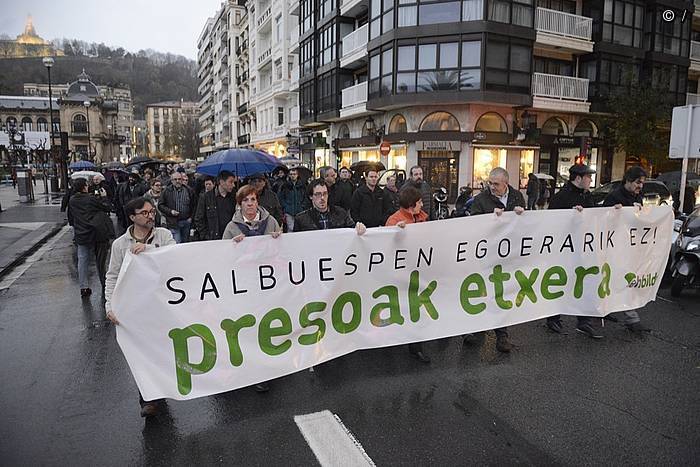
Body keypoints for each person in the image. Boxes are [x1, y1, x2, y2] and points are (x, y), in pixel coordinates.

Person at [105, 197, 176, 417]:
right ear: (133, 216)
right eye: (145, 213)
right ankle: (149, 399)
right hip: (135, 307)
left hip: (161, 304)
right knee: (142, 354)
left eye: (152, 211)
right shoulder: (120, 245)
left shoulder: (164, 235)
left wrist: (149, 249)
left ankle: (162, 388)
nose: (150, 215)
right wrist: (110, 305)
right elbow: (112, 276)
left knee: (163, 350)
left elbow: (175, 257)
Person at [223, 185, 282, 392]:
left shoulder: (270, 221)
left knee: (269, 322)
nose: (250, 204)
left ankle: (269, 365)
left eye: (253, 199)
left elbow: (284, 251)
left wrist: (278, 239)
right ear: (239, 205)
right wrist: (232, 246)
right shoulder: (232, 227)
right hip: (247, 284)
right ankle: (256, 369)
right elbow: (223, 256)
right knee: (253, 325)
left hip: (268, 283)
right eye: (246, 200)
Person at [467, 167, 525, 353]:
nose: (491, 187)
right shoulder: (481, 199)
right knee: (483, 292)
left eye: (496, 184)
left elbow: (526, 222)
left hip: (508, 255)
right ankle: (477, 329)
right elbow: (474, 223)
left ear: (505, 184)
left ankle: (502, 335)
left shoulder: (516, 197)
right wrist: (491, 219)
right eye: (490, 183)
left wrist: (520, 214)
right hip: (487, 254)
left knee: (502, 294)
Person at [546, 164, 603, 339]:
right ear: (578, 178)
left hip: (583, 248)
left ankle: (583, 321)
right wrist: (570, 216)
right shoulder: (561, 198)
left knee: (583, 282)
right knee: (562, 282)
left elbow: (595, 217)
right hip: (564, 249)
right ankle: (553, 317)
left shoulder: (587, 196)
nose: (591, 180)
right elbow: (550, 222)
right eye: (588, 177)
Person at [602, 166, 652, 333]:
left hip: (631, 246)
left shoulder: (638, 196)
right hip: (616, 247)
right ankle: (631, 319)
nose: (640, 186)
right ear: (628, 181)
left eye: (642, 183)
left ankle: (607, 311)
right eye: (638, 182)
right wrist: (613, 213)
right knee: (619, 279)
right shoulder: (614, 197)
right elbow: (603, 220)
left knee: (622, 280)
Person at [386, 186, 431, 362]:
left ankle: (416, 345)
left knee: (416, 307)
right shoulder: (394, 220)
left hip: (420, 268)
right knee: (402, 306)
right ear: (412, 204)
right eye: (419, 202)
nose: (422, 204)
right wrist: (395, 233)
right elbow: (386, 246)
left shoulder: (422, 217)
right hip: (402, 272)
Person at [67, 178, 115, 298]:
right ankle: (104, 285)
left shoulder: (72, 200)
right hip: (95, 233)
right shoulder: (90, 199)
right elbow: (107, 207)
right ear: (84, 187)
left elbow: (71, 216)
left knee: (82, 261)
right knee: (100, 262)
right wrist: (104, 197)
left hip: (81, 233)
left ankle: (84, 287)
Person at [294, 179, 367, 234]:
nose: (322, 198)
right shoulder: (301, 219)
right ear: (311, 196)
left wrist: (359, 227)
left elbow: (352, 229)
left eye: (325, 194)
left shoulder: (340, 213)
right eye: (318, 194)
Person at [194, 171, 237, 241]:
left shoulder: (234, 197)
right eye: (231, 182)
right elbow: (199, 219)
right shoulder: (206, 197)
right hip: (213, 238)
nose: (233, 185)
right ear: (222, 182)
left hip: (231, 237)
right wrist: (205, 235)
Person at [158, 172, 196, 243]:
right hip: (173, 222)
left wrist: (191, 217)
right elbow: (160, 205)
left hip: (186, 221)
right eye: (175, 179)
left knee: (185, 243)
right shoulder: (166, 191)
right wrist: (170, 211)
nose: (177, 181)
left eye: (179, 179)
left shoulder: (189, 190)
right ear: (171, 180)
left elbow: (194, 205)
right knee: (177, 242)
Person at [279, 168, 308, 232]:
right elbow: (281, 197)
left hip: (300, 210)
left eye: (294, 174)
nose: (293, 176)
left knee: (300, 228)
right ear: (289, 175)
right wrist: (285, 206)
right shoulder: (285, 185)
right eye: (291, 174)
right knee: (290, 229)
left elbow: (306, 197)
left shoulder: (302, 185)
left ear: (297, 175)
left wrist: (302, 206)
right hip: (289, 211)